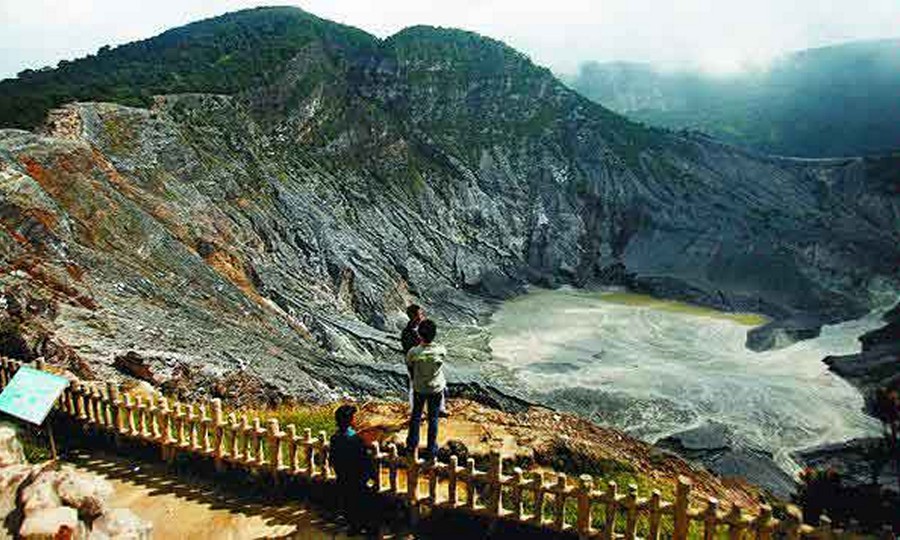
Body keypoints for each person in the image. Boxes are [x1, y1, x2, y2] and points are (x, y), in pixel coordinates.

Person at [328, 404, 376, 534]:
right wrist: (373, 476)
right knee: (362, 502)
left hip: (343, 477)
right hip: (357, 478)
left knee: (348, 502)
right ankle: (365, 527)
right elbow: (365, 460)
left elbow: (332, 459)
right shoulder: (356, 440)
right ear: (351, 420)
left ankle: (353, 526)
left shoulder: (334, 438)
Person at [405, 319, 447, 457]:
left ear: (419, 335)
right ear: (434, 334)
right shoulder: (441, 350)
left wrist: (416, 378)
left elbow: (410, 367)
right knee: (433, 418)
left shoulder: (413, 352)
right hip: (435, 388)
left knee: (416, 416)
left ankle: (412, 445)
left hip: (419, 388)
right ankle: (431, 449)